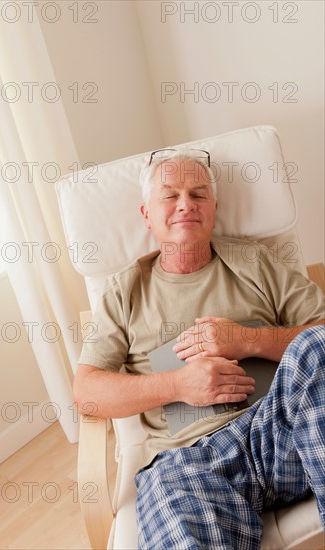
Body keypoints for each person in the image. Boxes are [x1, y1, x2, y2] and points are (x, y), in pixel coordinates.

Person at [74, 149, 324, 549]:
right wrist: (177, 385)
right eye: (170, 195)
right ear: (146, 214)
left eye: (199, 194)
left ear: (215, 207)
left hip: (282, 433)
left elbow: (321, 339)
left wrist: (248, 340)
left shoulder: (255, 261)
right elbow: (87, 393)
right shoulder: (123, 292)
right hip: (191, 462)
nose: (186, 204)